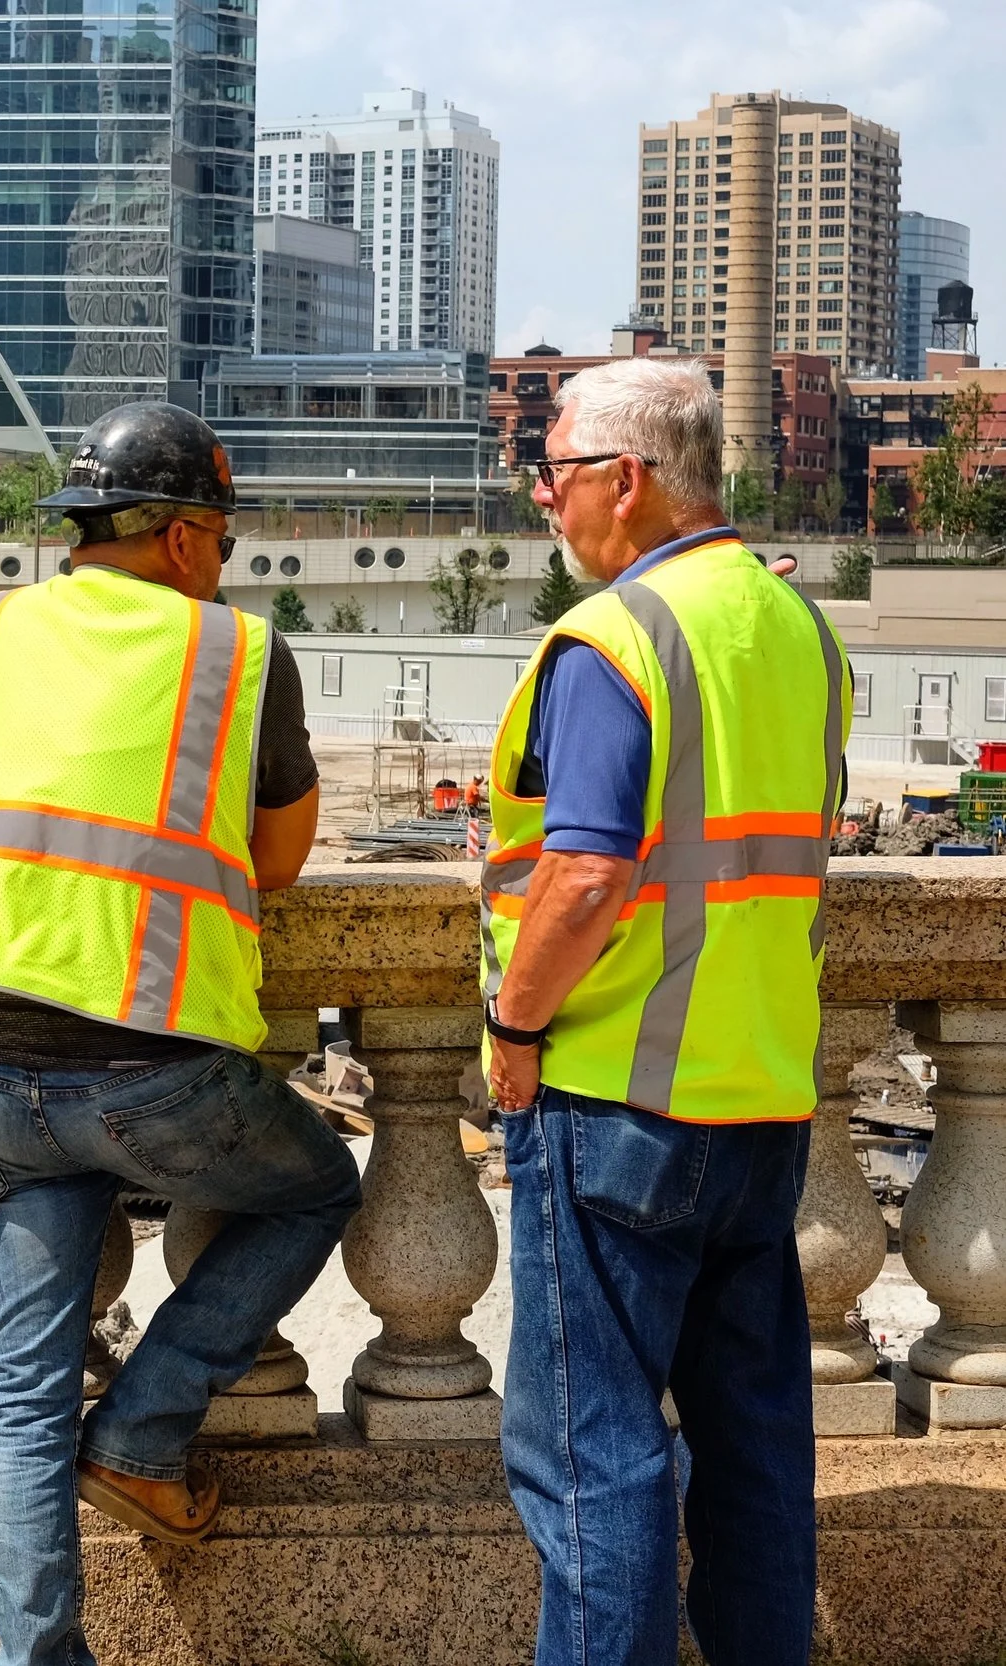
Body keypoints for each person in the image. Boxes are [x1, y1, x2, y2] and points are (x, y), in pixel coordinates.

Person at [0, 401, 360, 1666]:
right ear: (191, 537)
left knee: (22, 1393)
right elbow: (277, 859)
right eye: (225, 539)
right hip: (154, 1068)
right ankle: (145, 1430)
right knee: (321, 1187)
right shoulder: (234, 649)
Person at [481, 358, 849, 1666]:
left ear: (625, 481)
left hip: (618, 1102)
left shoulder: (617, 638)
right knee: (755, 1453)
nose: (544, 497)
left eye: (554, 472)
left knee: (592, 1460)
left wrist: (514, 1027)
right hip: (762, 1097)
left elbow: (585, 875)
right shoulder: (797, 627)